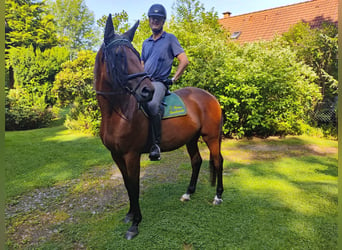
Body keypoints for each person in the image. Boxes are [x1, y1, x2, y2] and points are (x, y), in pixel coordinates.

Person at [141, 3, 189, 161]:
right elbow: (142, 65)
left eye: (158, 18)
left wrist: (174, 78)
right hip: (144, 82)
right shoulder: (145, 43)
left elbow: (184, 60)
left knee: (153, 105)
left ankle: (155, 145)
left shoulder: (170, 39)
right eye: (152, 18)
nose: (155, 21)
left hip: (159, 83)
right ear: (149, 20)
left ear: (163, 21)